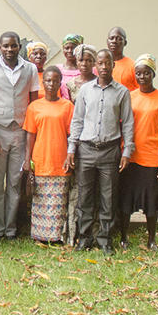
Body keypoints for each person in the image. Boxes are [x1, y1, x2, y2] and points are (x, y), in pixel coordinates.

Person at [65, 49, 135, 255]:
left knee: (108, 197)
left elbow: (128, 124)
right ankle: (84, 238)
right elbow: (77, 121)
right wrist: (72, 148)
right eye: (101, 63)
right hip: (86, 150)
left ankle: (105, 239)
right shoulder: (86, 90)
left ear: (113, 66)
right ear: (96, 65)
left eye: (108, 63)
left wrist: (127, 151)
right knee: (85, 197)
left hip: (109, 152)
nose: (104, 67)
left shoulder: (122, 92)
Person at [0, 31, 39, 240]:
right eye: (6, 46)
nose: (10, 50)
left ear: (19, 47)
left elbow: (33, 103)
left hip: (20, 132)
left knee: (15, 183)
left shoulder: (30, 69)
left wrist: (29, 132)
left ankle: (10, 228)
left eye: (13, 46)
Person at [119, 54, 158, 251]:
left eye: (146, 73)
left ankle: (151, 239)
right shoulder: (128, 96)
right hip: (130, 157)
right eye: (139, 73)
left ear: (153, 74)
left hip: (152, 159)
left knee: (152, 203)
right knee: (126, 201)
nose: (142, 77)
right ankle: (124, 237)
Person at [22, 66, 75, 243]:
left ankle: (57, 236)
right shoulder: (34, 107)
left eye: (55, 80)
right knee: (40, 202)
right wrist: (27, 159)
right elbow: (30, 134)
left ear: (61, 82)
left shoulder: (67, 107)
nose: (51, 84)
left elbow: (71, 135)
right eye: (48, 80)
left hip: (60, 161)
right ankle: (40, 236)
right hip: (41, 160)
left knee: (59, 203)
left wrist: (70, 155)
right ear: (43, 83)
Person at [60, 43, 98, 244]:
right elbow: (68, 115)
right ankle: (72, 233)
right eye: (81, 59)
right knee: (75, 189)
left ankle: (93, 233)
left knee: (95, 190)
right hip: (75, 141)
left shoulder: (100, 83)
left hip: (96, 142)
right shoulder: (69, 85)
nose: (84, 63)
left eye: (89, 60)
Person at [107, 26, 138, 91]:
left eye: (119, 38)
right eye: (111, 38)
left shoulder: (133, 66)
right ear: (107, 41)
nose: (114, 41)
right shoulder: (100, 65)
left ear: (125, 43)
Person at [57, 34, 84, 99]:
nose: (69, 51)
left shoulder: (86, 69)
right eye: (67, 48)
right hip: (63, 107)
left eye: (73, 48)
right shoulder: (57, 69)